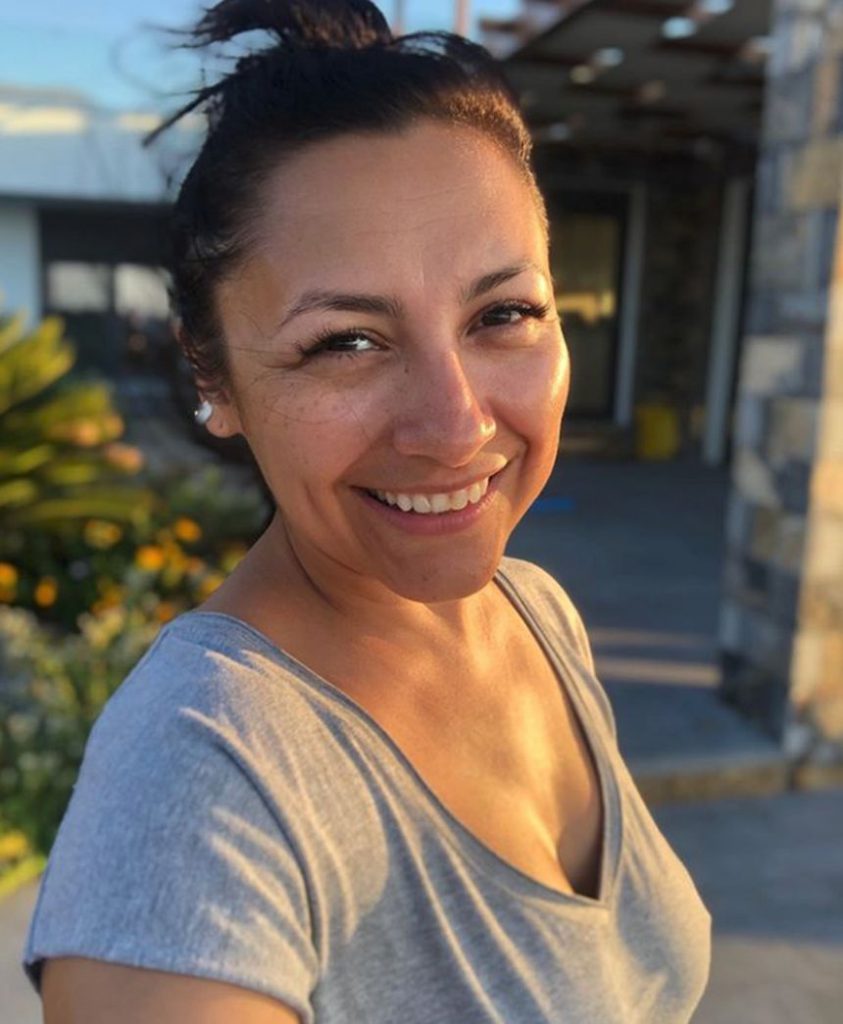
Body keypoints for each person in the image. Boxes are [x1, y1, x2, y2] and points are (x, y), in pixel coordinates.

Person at [22, 1, 712, 1020]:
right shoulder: (201, 778)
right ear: (212, 373)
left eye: (503, 314)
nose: (455, 424)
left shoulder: (536, 613)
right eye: (345, 341)